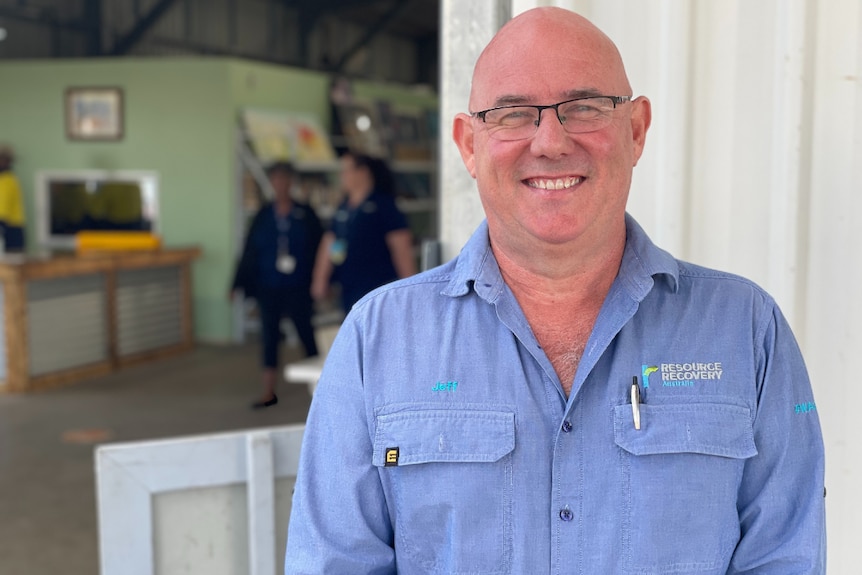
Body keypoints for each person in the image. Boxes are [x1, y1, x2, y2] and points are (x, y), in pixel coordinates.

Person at [285, 7, 825, 574]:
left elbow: (786, 557)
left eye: (584, 107)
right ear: (469, 144)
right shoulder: (377, 341)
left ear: (636, 130)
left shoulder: (747, 331)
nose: (550, 141)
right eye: (514, 114)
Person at [231, 161, 322, 409]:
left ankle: (322, 389)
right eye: (276, 180)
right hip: (269, 286)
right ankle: (268, 392)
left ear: (291, 182)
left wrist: (323, 279)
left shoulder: (305, 214)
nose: (280, 184)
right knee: (269, 336)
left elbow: (320, 246)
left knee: (306, 334)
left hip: (298, 285)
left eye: (285, 179)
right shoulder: (263, 215)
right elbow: (249, 250)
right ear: (272, 183)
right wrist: (237, 283)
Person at [310, 151, 416, 312]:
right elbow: (332, 242)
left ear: (363, 172)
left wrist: (411, 288)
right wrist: (321, 278)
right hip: (349, 287)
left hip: (379, 289)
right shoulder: (344, 208)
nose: (342, 176)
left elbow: (401, 249)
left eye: (346, 170)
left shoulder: (384, 205)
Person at [0, 144, 27, 252]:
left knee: (10, 265)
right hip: (12, 229)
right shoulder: (10, 179)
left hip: (10, 230)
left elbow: (2, 210)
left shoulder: (7, 180)